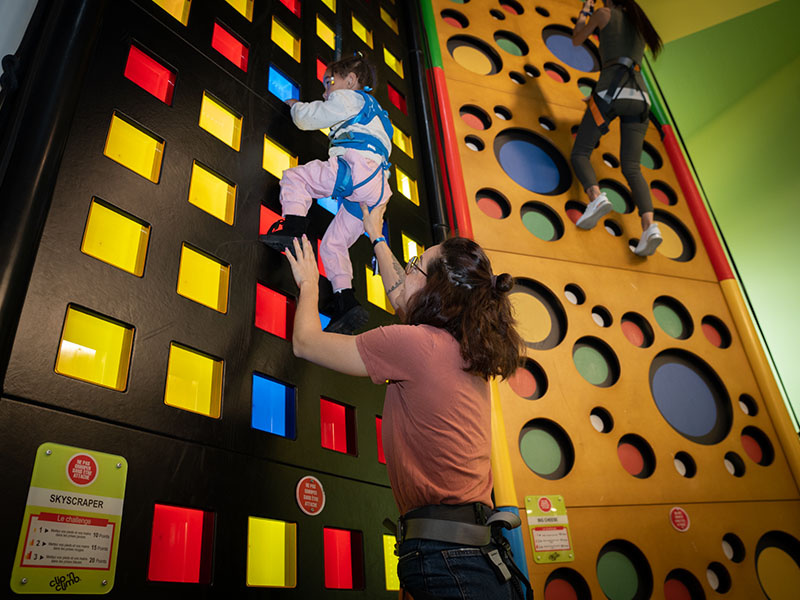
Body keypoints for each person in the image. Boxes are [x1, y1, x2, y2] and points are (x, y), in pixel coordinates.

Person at [283, 203, 531, 599]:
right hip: (474, 555)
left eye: (416, 263)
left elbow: (306, 343)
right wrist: (376, 236)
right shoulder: (464, 348)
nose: (409, 268)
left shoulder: (415, 345)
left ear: (435, 290)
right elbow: (404, 298)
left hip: (451, 560)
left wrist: (311, 283)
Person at [260, 54, 393, 334]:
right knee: (334, 244)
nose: (326, 91)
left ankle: (293, 230)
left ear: (352, 80)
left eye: (329, 82)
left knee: (296, 178)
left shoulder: (351, 98)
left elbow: (313, 118)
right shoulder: (381, 116)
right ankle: (346, 300)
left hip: (355, 169)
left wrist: (297, 107)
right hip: (377, 189)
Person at [570, 0, 664, 257]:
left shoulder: (603, 14)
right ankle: (650, 227)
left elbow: (577, 39)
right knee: (632, 166)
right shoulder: (639, 22)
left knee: (580, 153)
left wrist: (585, 11)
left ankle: (596, 197)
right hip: (641, 98)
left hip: (610, 93)